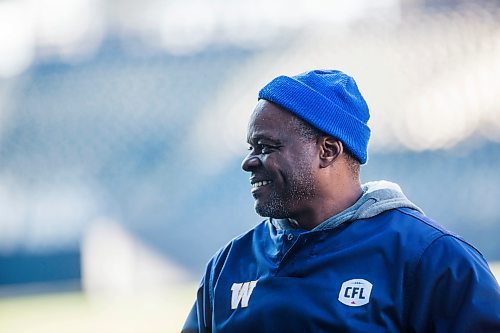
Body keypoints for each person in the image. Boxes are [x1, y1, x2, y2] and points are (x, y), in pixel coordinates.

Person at [181, 69, 500, 332]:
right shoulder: (229, 265)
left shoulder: (432, 259)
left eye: (265, 147)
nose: (249, 162)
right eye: (250, 148)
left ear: (328, 150)